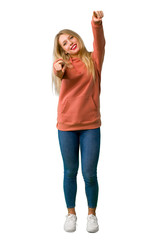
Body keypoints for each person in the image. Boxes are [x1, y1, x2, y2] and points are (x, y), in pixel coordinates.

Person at [52, 10, 105, 233]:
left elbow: (99, 41)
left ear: (77, 38)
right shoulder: (62, 65)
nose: (70, 43)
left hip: (91, 126)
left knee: (90, 174)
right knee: (69, 172)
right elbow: (59, 72)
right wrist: (58, 68)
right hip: (66, 128)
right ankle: (71, 213)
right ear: (62, 49)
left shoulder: (94, 59)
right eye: (64, 42)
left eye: (71, 37)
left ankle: (91, 215)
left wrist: (96, 23)